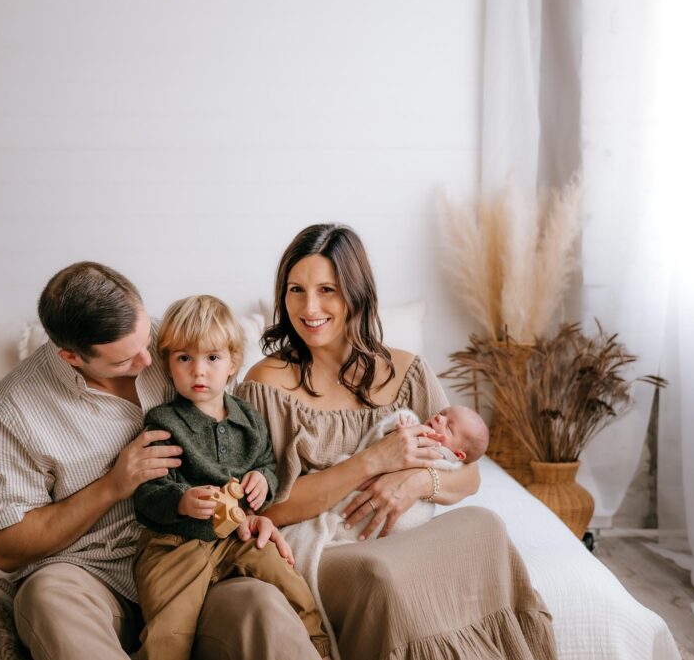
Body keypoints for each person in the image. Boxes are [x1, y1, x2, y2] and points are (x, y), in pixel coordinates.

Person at [237, 224, 557, 659]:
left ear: (357, 291)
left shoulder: (408, 372)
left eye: (327, 289)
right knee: (381, 574)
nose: (309, 307)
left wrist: (416, 483)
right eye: (296, 290)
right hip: (323, 542)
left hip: (403, 533)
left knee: (485, 524)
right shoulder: (264, 384)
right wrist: (371, 462)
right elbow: (264, 507)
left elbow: (467, 474)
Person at [0, 262, 323, 660]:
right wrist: (112, 486)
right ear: (71, 357)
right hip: (90, 575)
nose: (147, 361)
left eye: (146, 341)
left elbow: (236, 441)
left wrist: (246, 506)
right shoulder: (14, 408)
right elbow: (5, 549)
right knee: (46, 598)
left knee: (262, 607)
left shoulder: (176, 343)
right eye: (124, 361)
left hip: (198, 554)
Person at [132, 295, 332, 660]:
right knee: (169, 635)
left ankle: (320, 650)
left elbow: (268, 465)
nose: (199, 371)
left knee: (293, 587)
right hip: (176, 545)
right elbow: (146, 495)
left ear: (233, 363)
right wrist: (181, 500)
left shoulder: (248, 419)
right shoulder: (163, 422)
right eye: (184, 358)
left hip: (237, 536)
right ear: (168, 365)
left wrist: (262, 481)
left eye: (212, 357)